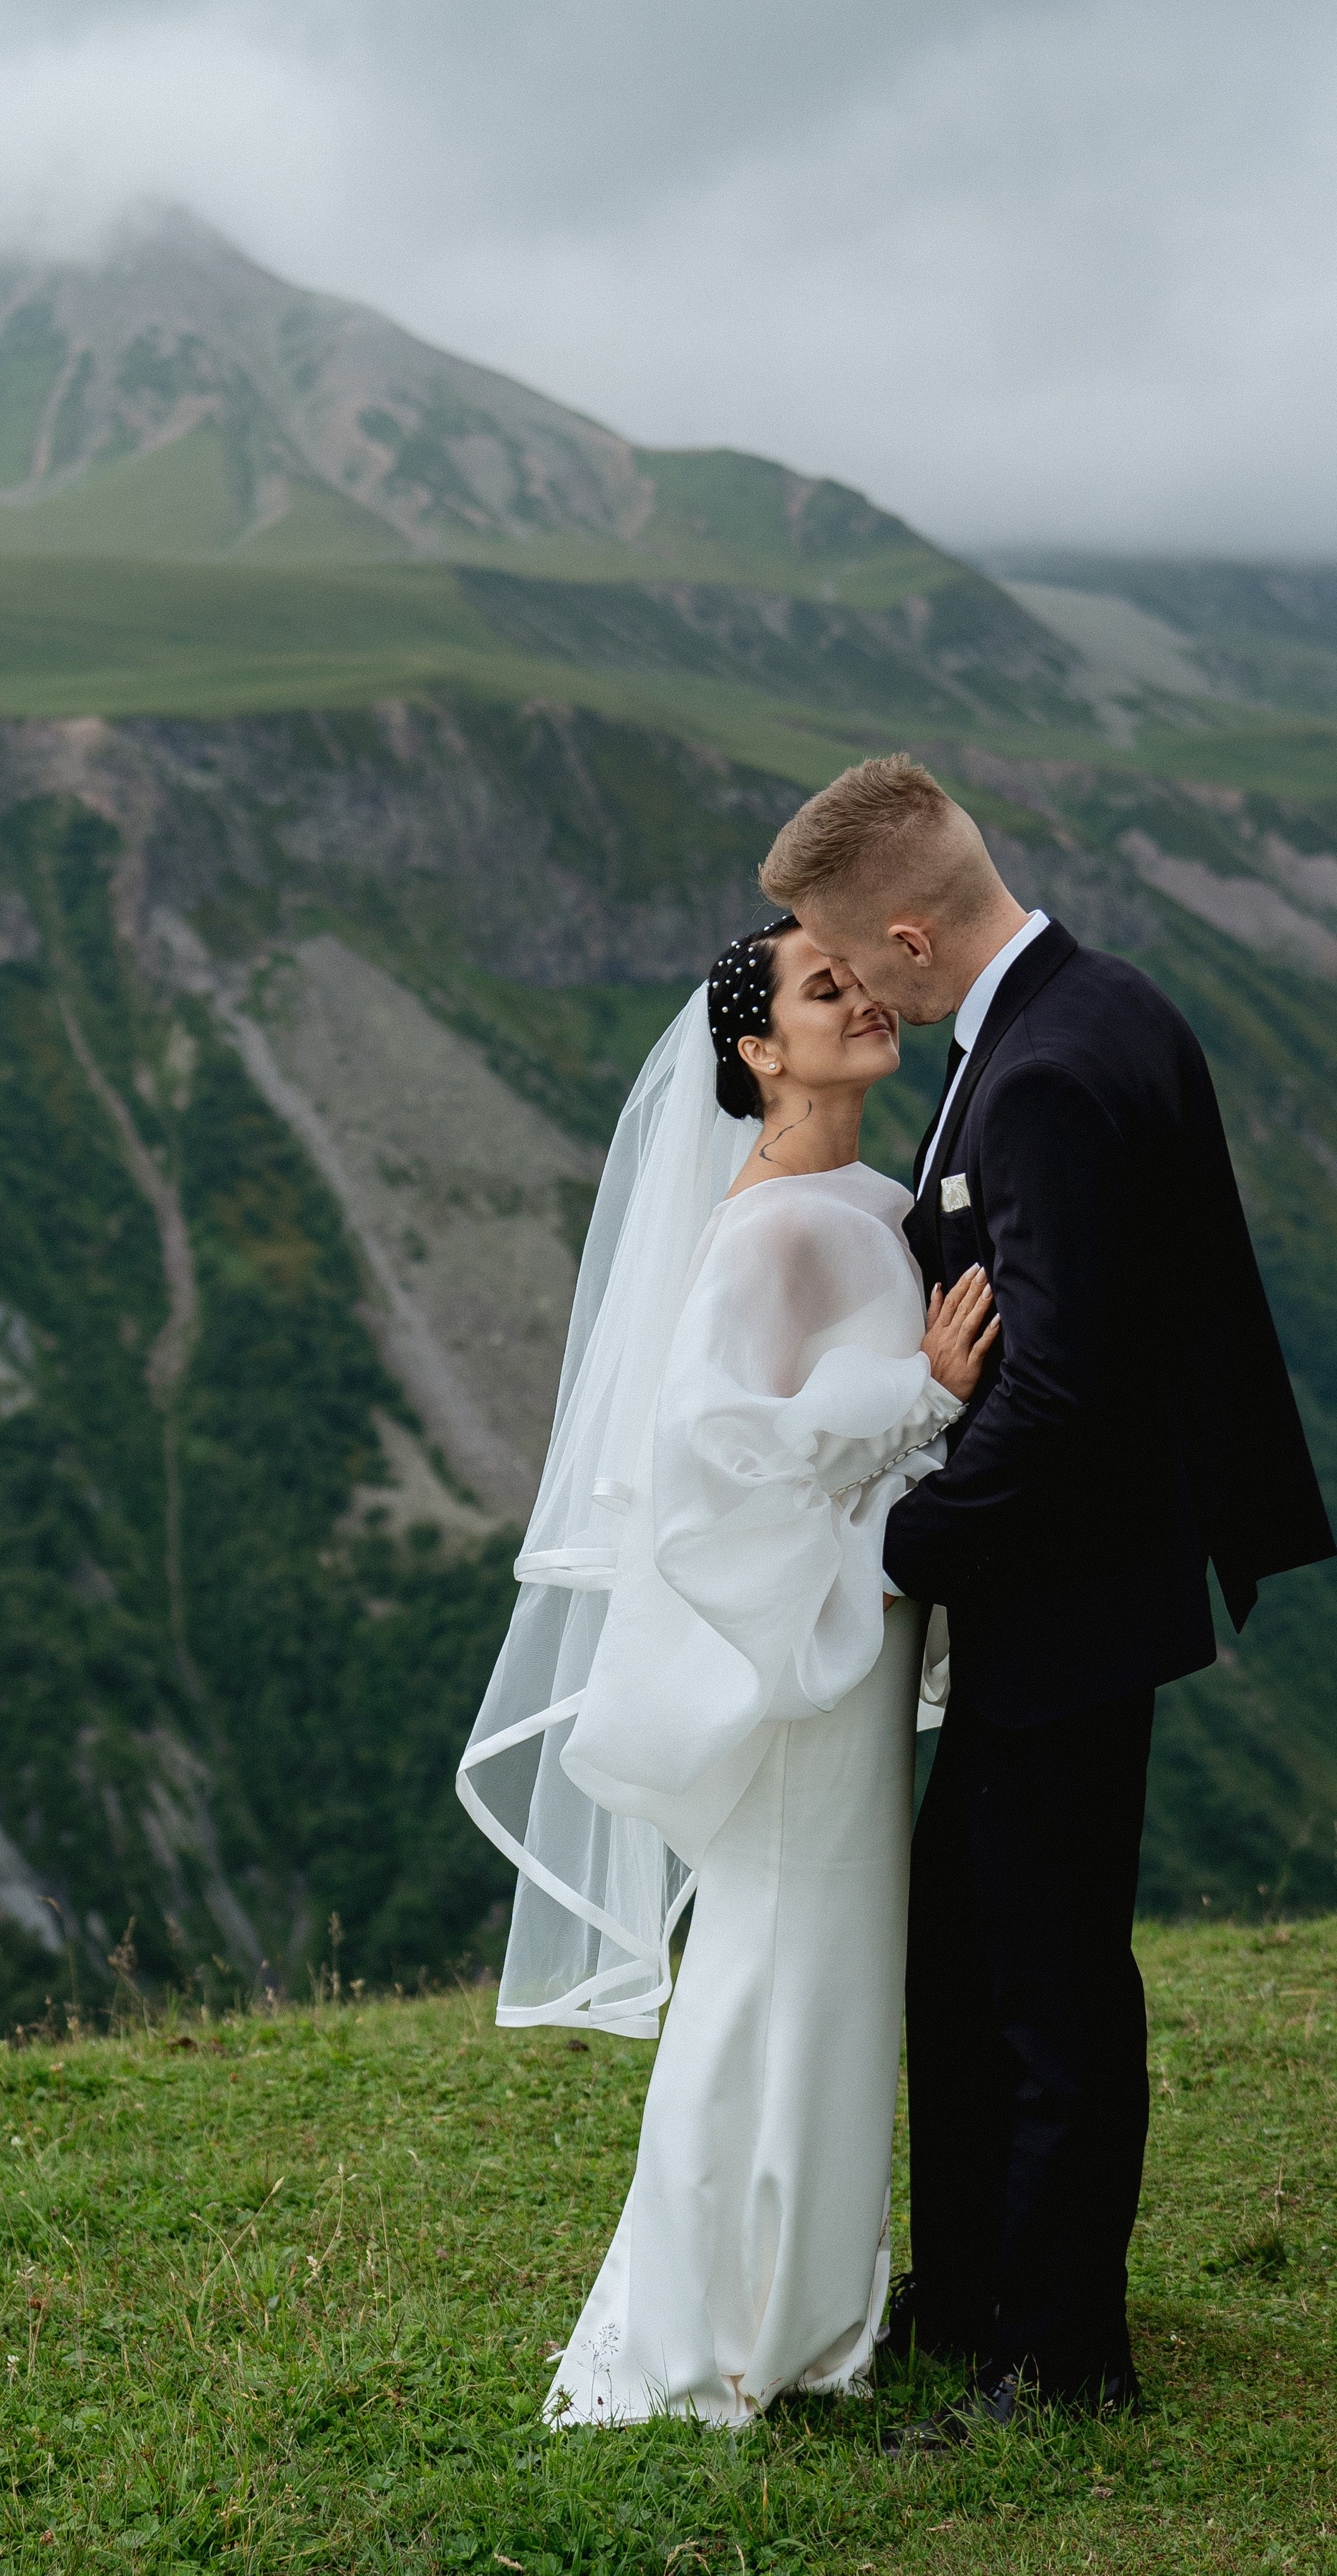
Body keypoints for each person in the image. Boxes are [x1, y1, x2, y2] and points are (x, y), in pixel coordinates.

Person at [758, 753, 1332, 2443]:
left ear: (913, 936)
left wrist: (898, 1553)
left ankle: (1056, 2362)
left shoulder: (1041, 1079)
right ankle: (985, 2289)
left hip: (1060, 1609)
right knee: (964, 1949)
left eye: (850, 961)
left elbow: (1062, 1389)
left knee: (1049, 1993)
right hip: (1080, 1591)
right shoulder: (1100, 1002)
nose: (846, 989)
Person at [458, 914, 998, 2425]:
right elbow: (704, 1453)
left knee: (824, 1981)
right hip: (802, 1658)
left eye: (858, 980)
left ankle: (801, 2316)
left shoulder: (860, 1199)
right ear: (758, 1052)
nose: (861, 1005)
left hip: (851, 1640)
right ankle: (699, 2345)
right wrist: (916, 1396)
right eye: (822, 992)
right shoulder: (768, 1223)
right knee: (767, 1972)